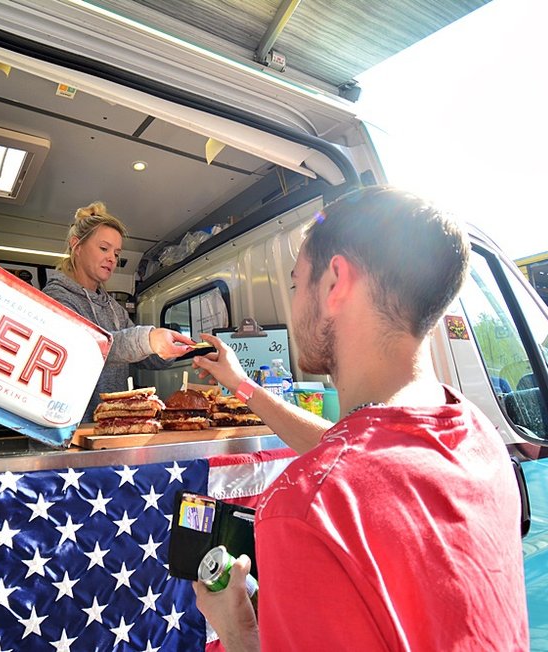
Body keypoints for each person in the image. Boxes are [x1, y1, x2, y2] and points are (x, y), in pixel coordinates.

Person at [190, 186, 528, 651]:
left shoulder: (305, 508)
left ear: (334, 284)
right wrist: (242, 384)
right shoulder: (475, 434)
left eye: (295, 282)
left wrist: (237, 631)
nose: (294, 301)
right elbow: (355, 451)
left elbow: (345, 467)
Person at [42, 201, 195, 422]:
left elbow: (142, 356)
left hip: (115, 425)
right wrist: (147, 339)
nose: (112, 258)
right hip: (74, 429)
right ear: (77, 246)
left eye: (117, 253)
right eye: (104, 249)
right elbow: (86, 348)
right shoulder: (57, 298)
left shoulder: (113, 308)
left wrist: (183, 349)